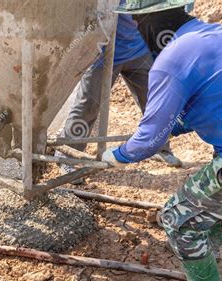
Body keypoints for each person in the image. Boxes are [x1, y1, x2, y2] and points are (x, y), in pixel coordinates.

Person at [102, 0, 222, 281]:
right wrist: (173, 124)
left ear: (149, 21)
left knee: (178, 220)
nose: (137, 31)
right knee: (213, 205)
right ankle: (204, 254)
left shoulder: (171, 59)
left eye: (137, 23)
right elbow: (221, 94)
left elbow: (148, 141)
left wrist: (115, 156)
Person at [57, 13, 183, 181]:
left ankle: (160, 147)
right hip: (101, 53)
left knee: (154, 101)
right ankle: (67, 155)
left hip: (137, 49)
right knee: (88, 105)